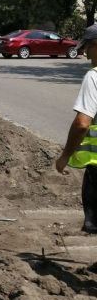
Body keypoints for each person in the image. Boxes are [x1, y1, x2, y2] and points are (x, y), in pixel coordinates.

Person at [56, 24, 97, 233]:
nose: (85, 53)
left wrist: (65, 156)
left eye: (87, 47)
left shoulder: (94, 77)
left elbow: (82, 123)